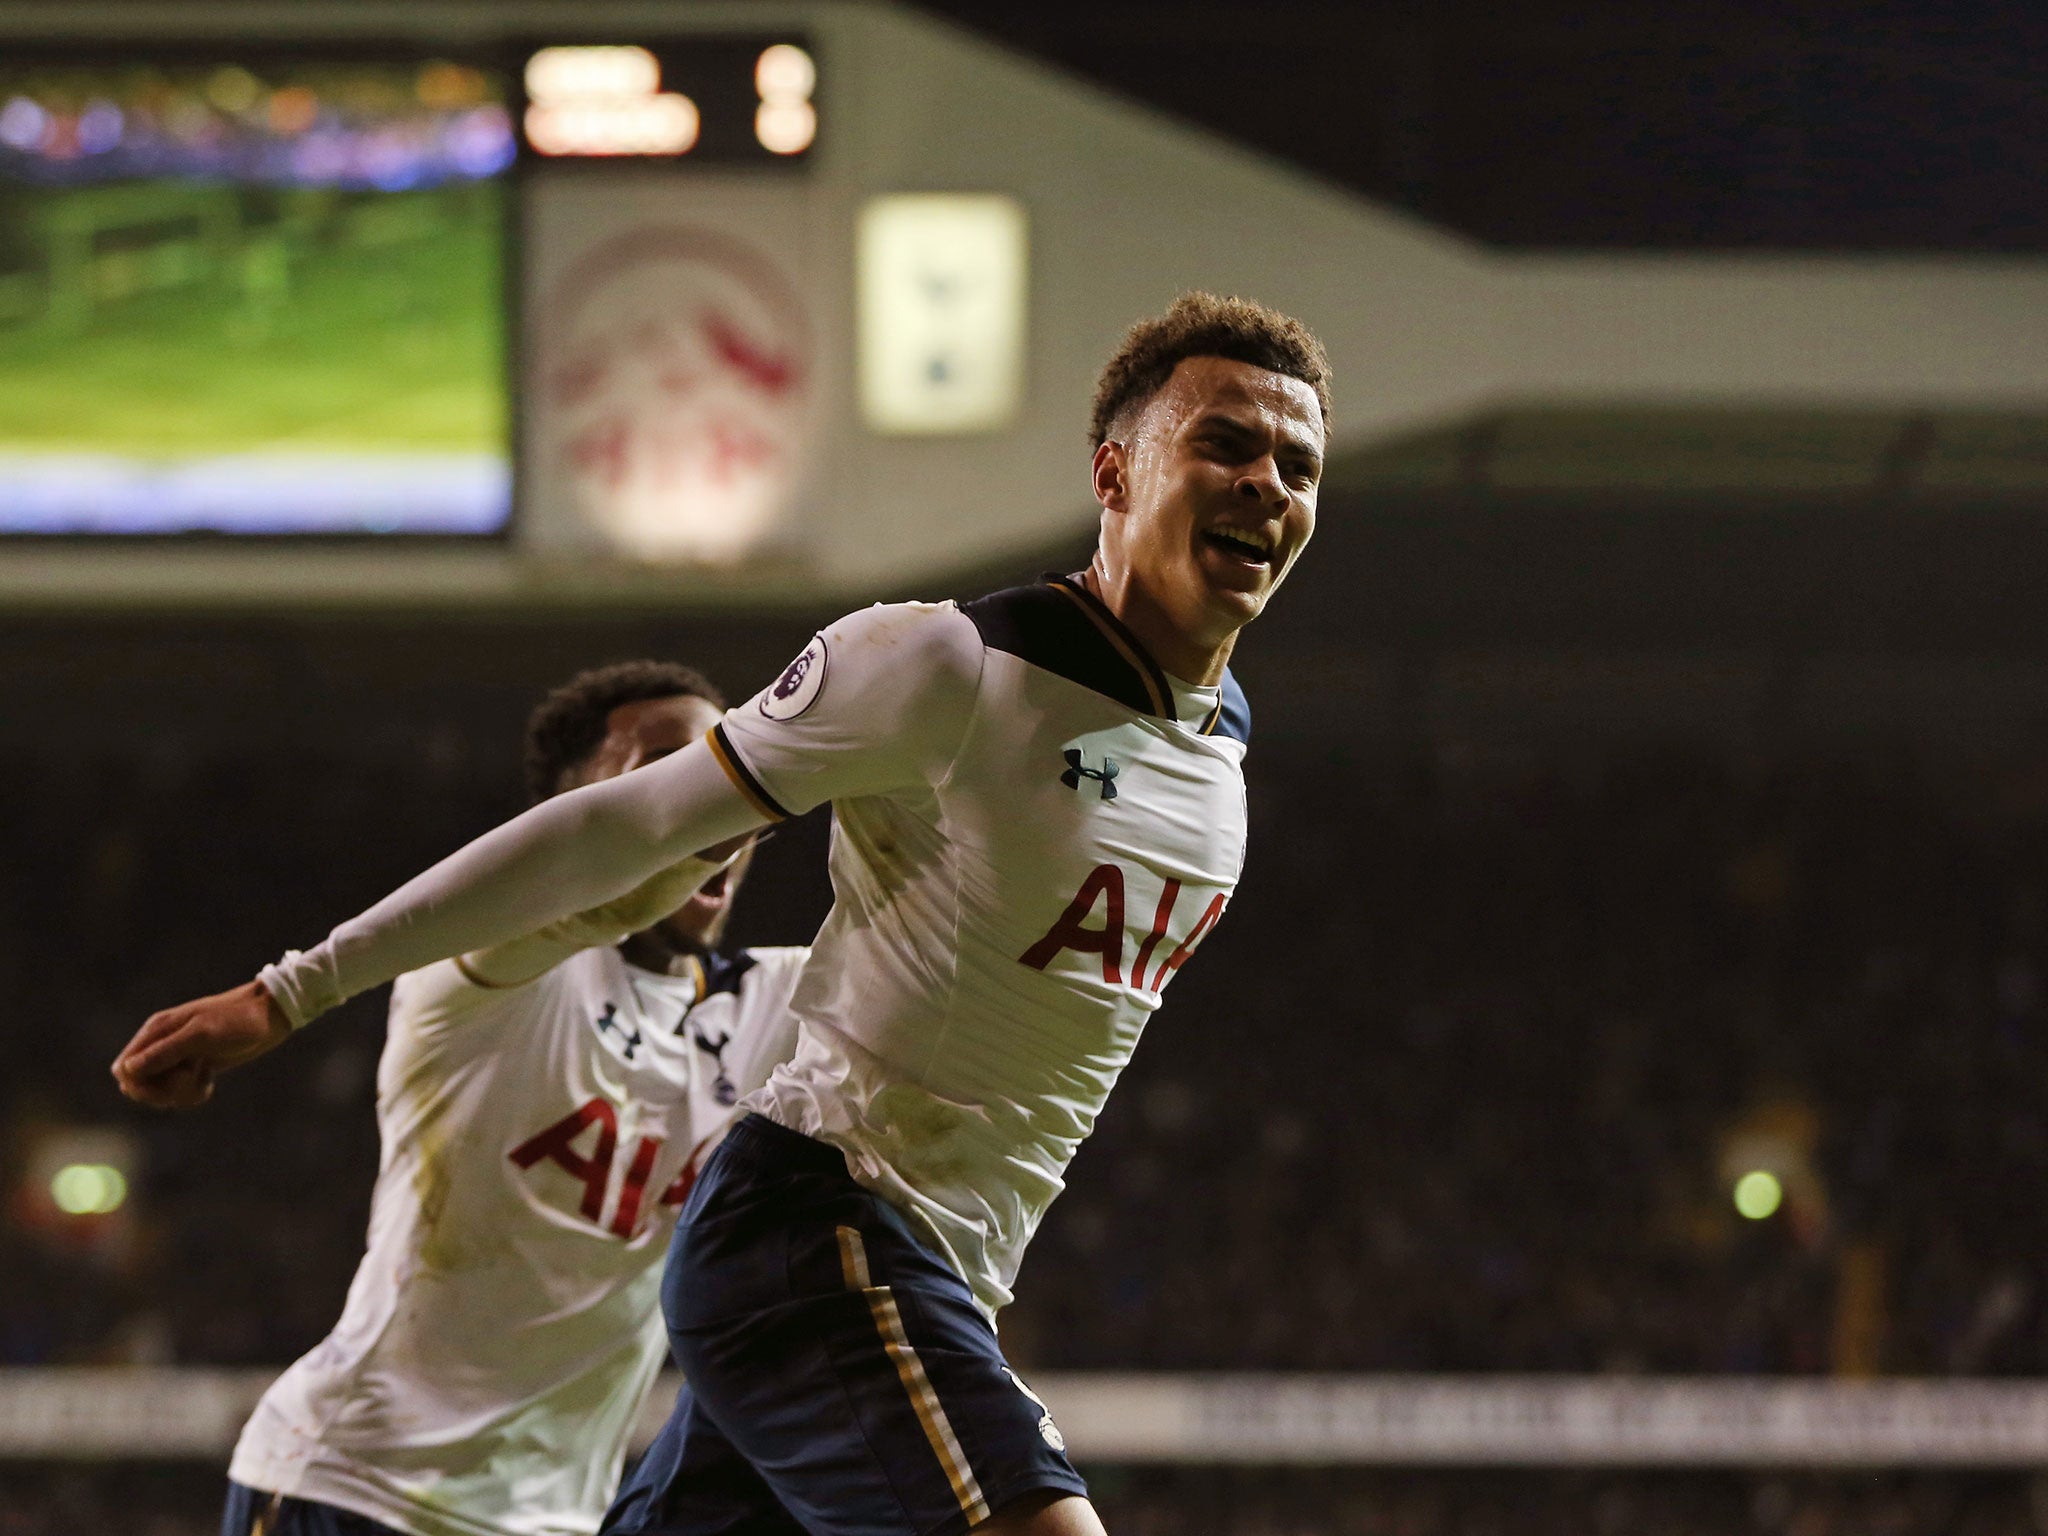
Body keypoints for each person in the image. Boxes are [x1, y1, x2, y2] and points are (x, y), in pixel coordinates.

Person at [116, 291, 1330, 1536]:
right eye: (1223, 443)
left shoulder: (1220, 753)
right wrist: (291, 987)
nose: (1264, 484)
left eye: (1296, 465)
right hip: (824, 1233)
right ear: (1114, 471)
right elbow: (624, 827)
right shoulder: (948, 667)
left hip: (931, 1267)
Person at [206, 662, 806, 1536]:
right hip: (354, 1485)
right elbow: (594, 888)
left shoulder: (766, 1008)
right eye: (665, 776)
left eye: (719, 772)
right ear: (573, 816)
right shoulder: (479, 972)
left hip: (555, 1516)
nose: (703, 801)